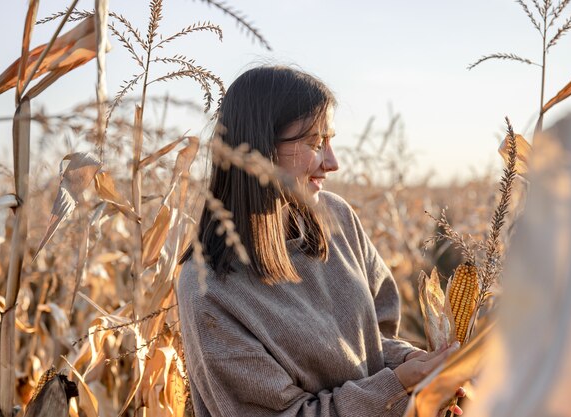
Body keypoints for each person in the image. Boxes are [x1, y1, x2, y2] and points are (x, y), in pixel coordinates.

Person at [177, 66, 461, 417]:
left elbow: (374, 341)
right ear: (261, 148)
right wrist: (397, 387)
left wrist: (413, 365)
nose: (333, 162)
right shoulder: (209, 290)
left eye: (330, 141)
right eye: (315, 143)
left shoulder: (336, 219)